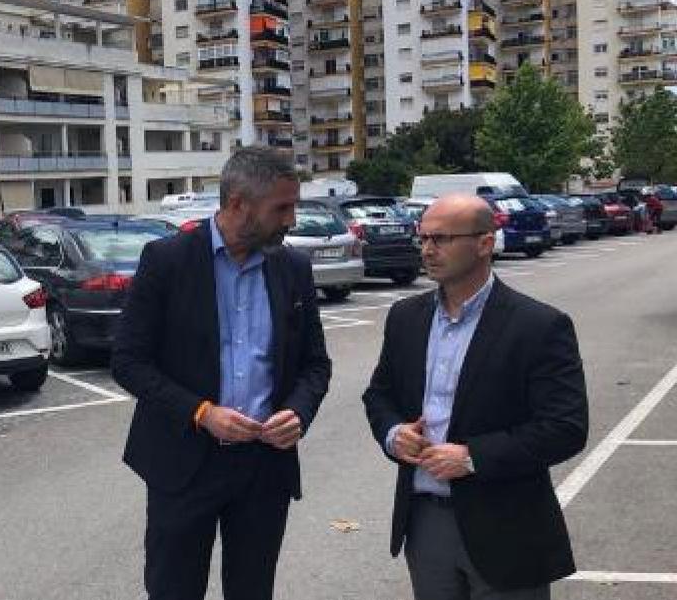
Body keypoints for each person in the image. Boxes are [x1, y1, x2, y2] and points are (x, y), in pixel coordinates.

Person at [112, 146, 332, 600]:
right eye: (282, 208)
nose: (291, 220)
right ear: (238, 205)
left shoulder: (292, 267)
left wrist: (297, 412)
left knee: (253, 590)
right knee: (174, 590)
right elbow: (129, 362)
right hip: (184, 463)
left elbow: (315, 364)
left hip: (263, 466)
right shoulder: (167, 261)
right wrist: (201, 412)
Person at [362, 194, 589, 600]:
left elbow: (565, 428)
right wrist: (394, 433)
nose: (428, 250)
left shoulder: (539, 326)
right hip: (426, 520)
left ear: (485, 243)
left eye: (442, 239)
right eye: (424, 238)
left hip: (508, 526)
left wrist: (471, 457)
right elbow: (379, 395)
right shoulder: (405, 318)